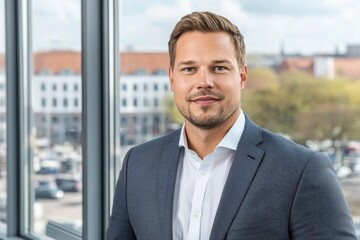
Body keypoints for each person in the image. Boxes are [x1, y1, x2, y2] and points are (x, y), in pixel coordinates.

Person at [106, 11, 356, 240]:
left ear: (242, 76)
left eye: (219, 68)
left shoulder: (301, 169)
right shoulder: (137, 165)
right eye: (189, 69)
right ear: (172, 79)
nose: (203, 82)